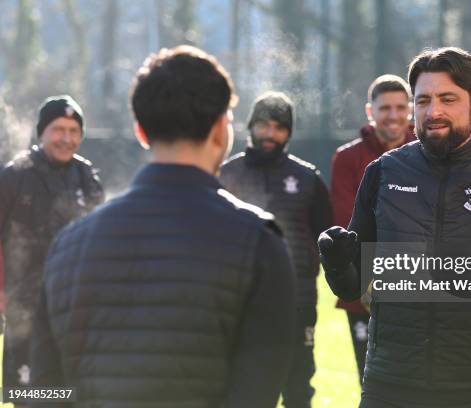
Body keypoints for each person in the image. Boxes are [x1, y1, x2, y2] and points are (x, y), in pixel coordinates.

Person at [30, 46, 296, 407]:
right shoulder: (259, 242)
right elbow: (258, 391)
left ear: (141, 131)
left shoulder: (67, 245)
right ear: (221, 129)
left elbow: (44, 390)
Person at [318, 47, 471, 407]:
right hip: (390, 380)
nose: (434, 112)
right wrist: (337, 261)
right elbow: (352, 287)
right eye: (423, 100)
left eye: (448, 99)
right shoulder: (382, 173)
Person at [220, 91, 333, 408]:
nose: (271, 134)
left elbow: (325, 237)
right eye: (264, 126)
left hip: (297, 302)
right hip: (238, 304)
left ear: (289, 133)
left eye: (279, 127)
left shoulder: (307, 179)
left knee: (298, 390)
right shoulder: (226, 175)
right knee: (244, 392)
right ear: (250, 126)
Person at [0, 95, 104, 390]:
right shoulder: (14, 176)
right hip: (25, 311)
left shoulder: (88, 178)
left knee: (67, 392)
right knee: (28, 392)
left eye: (74, 131)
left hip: (75, 308)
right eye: (58, 129)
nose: (66, 138)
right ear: (41, 132)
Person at [330, 74, 415, 384]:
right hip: (364, 283)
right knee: (370, 379)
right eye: (385, 108)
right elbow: (345, 218)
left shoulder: (426, 154)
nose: (393, 115)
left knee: (415, 380)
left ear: (410, 111)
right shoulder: (347, 158)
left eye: (400, 107)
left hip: (416, 281)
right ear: (370, 111)